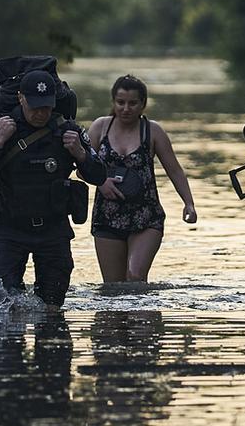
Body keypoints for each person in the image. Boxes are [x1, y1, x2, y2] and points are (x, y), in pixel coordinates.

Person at [0, 69, 107, 309]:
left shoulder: (68, 130)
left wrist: (81, 154)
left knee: (53, 308)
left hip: (53, 230)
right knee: (6, 307)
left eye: (46, 106)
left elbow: (99, 176)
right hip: (10, 229)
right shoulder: (1, 128)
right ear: (21, 98)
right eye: (35, 106)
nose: (41, 113)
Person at [85, 75, 198, 283]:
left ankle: (143, 316)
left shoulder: (153, 131)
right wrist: (100, 182)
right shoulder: (100, 128)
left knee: (135, 277)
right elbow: (82, 167)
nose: (126, 108)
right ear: (113, 102)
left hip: (146, 217)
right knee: (113, 288)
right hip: (107, 216)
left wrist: (188, 203)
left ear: (143, 104)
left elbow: (174, 170)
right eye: (120, 102)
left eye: (132, 103)